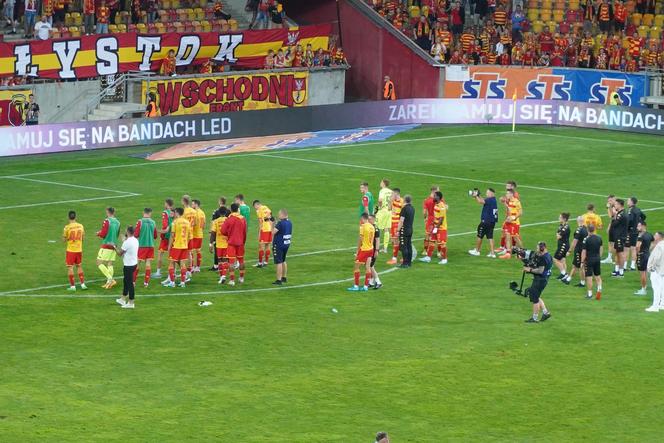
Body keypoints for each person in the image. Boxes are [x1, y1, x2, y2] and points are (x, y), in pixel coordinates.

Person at [524, 242, 553, 323]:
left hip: (540, 280)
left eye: (538, 248)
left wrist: (529, 270)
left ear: (542, 248)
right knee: (536, 295)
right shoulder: (549, 255)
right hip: (544, 279)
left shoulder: (543, 258)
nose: (537, 250)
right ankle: (545, 313)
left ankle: (535, 318)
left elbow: (540, 271)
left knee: (535, 298)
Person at [163, 207, 192, 288]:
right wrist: (185, 243)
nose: (174, 214)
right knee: (183, 264)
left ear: (177, 213)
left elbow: (172, 236)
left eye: (175, 212)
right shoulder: (187, 222)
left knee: (171, 263)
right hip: (184, 246)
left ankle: (172, 282)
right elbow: (189, 237)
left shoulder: (174, 222)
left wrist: (169, 246)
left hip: (176, 246)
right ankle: (183, 283)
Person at [221, 203, 248, 286]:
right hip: (240, 243)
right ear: (238, 209)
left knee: (231, 262)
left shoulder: (229, 219)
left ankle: (232, 280)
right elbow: (245, 232)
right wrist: (243, 241)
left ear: (231, 210)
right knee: (241, 261)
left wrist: (228, 234)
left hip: (231, 243)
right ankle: (241, 278)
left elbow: (223, 231)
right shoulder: (243, 219)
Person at [348, 213, 375, 292]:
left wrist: (357, 251)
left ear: (363, 219)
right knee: (367, 267)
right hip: (371, 249)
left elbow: (360, 240)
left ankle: (356, 286)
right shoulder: (372, 227)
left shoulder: (362, 227)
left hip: (364, 249)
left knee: (356, 267)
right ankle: (366, 286)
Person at [468, 188, 498, 257]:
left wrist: (476, 196)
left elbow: (481, 202)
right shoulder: (493, 200)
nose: (486, 194)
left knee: (480, 235)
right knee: (490, 237)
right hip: (492, 222)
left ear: (491, 193)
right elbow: (483, 200)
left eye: (487, 193)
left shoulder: (489, 200)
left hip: (486, 221)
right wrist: (478, 195)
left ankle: (477, 251)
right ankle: (492, 253)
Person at [420, 191, 448, 264]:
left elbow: (441, 219)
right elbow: (436, 217)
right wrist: (433, 224)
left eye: (435, 196)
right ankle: (428, 257)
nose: (433, 197)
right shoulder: (436, 204)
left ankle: (444, 259)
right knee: (432, 241)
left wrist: (436, 227)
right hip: (435, 226)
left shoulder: (441, 206)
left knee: (442, 244)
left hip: (441, 228)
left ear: (438, 197)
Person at [96, 207, 120, 289]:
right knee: (110, 263)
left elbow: (103, 234)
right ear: (114, 212)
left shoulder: (107, 221)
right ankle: (108, 282)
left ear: (107, 212)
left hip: (106, 245)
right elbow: (117, 234)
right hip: (114, 245)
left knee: (99, 262)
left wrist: (98, 233)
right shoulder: (118, 222)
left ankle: (111, 279)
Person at [63, 210, 87, 291]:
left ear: (68, 217)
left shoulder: (67, 227)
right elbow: (83, 238)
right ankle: (83, 284)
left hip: (71, 250)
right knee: (79, 266)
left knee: (70, 268)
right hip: (79, 249)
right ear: (75, 217)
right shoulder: (81, 226)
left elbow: (64, 239)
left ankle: (73, 286)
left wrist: (67, 238)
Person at [116, 226, 139, 309]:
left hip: (128, 265)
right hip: (134, 264)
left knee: (130, 284)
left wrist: (115, 247)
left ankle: (131, 303)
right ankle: (122, 299)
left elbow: (119, 254)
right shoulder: (135, 240)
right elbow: (128, 246)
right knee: (126, 281)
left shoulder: (127, 242)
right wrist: (124, 241)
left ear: (128, 232)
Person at [134, 208, 157, 287]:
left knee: (137, 263)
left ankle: (133, 282)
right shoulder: (153, 222)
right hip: (151, 246)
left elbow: (136, 234)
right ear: (150, 213)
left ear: (143, 212)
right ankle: (146, 283)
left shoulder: (140, 221)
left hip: (142, 246)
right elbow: (155, 236)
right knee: (148, 263)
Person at [563, 216, 588, 286]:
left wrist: (569, 251)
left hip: (579, 250)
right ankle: (568, 279)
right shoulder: (586, 229)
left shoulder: (578, 230)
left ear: (578, 221)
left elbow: (574, 242)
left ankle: (582, 282)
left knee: (581, 267)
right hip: (585, 250)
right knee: (575, 265)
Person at [498, 189, 522, 259]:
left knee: (516, 238)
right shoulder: (508, 201)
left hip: (514, 223)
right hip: (508, 222)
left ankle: (522, 252)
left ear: (511, 194)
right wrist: (504, 203)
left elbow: (520, 212)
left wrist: (514, 218)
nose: (506, 195)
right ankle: (508, 253)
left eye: (508, 194)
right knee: (507, 236)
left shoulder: (517, 202)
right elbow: (508, 209)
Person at [582, 224, 604, 300]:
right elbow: (601, 249)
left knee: (589, 277)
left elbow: (584, 252)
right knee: (598, 276)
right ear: (594, 229)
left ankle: (590, 294)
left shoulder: (586, 239)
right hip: (597, 259)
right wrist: (599, 257)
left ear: (588, 230)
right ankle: (599, 289)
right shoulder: (599, 238)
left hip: (589, 260)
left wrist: (582, 262)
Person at [209, 204, 230, 284]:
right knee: (225, 261)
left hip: (218, 244)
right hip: (227, 243)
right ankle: (223, 276)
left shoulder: (216, 221)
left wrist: (210, 244)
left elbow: (213, 233)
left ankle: (222, 276)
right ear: (226, 212)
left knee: (220, 261)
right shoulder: (228, 220)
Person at [154, 198, 173, 279]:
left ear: (167, 204)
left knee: (160, 254)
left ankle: (158, 272)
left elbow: (165, 226)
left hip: (165, 237)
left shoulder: (165, 213)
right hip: (172, 236)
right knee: (172, 255)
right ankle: (175, 272)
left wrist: (159, 231)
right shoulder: (173, 212)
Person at [272, 209, 292, 285]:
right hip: (286, 243)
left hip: (279, 245)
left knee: (279, 262)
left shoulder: (280, 224)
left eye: (279, 214)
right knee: (283, 260)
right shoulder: (289, 222)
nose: (278, 215)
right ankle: (284, 277)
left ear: (282, 215)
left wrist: (273, 224)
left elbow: (273, 232)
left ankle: (278, 280)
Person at [634, 221, 654, 296]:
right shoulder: (649, 234)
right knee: (645, 272)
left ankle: (643, 289)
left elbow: (637, 246)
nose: (637, 227)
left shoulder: (641, 236)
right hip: (647, 254)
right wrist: (648, 249)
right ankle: (645, 287)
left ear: (643, 226)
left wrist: (637, 253)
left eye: (639, 226)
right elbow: (653, 242)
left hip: (642, 255)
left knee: (642, 273)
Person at [646, 232, 664, 312]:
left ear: (659, 237)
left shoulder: (659, 246)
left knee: (656, 288)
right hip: (662, 270)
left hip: (656, 270)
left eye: (655, 235)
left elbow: (656, 258)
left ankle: (655, 306)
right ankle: (662, 304)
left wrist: (651, 267)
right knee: (662, 288)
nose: (654, 237)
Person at [252, 199, 273, 268]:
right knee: (268, 246)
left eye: (254, 207)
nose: (255, 208)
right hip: (270, 229)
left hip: (264, 229)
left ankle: (260, 263)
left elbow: (260, 222)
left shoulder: (259, 210)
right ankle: (266, 262)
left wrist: (259, 232)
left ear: (256, 205)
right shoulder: (266, 207)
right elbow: (271, 218)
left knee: (261, 246)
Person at [626, 196, 645, 271]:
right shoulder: (638, 209)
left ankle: (624, 266)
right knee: (633, 248)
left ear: (632, 202)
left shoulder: (630, 210)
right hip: (636, 231)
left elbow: (629, 220)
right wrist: (638, 223)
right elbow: (643, 217)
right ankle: (633, 266)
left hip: (630, 231)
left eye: (628, 201)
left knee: (627, 248)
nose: (627, 202)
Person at [611, 198, 628, 277]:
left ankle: (621, 272)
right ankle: (617, 270)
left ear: (620, 205)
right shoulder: (622, 213)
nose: (615, 205)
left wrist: (615, 215)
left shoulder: (621, 214)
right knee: (617, 253)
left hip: (620, 237)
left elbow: (614, 224)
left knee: (620, 254)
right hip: (620, 236)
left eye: (616, 204)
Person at [210, 196, 227, 271]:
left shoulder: (216, 211)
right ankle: (225, 269)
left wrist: (211, 240)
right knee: (225, 255)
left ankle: (216, 266)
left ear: (220, 201)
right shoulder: (229, 211)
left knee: (217, 252)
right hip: (227, 238)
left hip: (218, 236)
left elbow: (212, 222)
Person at [181, 195, 197, 277]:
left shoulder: (184, 212)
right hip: (191, 234)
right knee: (189, 253)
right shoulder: (194, 211)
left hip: (185, 236)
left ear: (184, 201)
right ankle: (190, 270)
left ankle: (185, 271)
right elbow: (195, 223)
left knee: (184, 253)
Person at [386, 188, 403, 265]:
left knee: (397, 241)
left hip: (397, 223)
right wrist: (390, 201)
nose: (391, 195)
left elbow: (404, 214)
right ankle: (400, 256)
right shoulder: (393, 201)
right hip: (392, 223)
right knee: (393, 241)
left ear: (396, 194)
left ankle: (395, 258)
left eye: (392, 194)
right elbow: (389, 209)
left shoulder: (402, 202)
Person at [376, 178, 393, 253]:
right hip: (389, 211)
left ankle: (376, 246)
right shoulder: (391, 191)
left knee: (376, 227)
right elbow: (393, 201)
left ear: (383, 183)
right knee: (386, 229)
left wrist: (379, 207)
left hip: (382, 211)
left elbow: (380, 200)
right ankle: (385, 248)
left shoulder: (382, 191)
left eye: (381, 182)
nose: (380, 183)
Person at [422, 185, 440, 257]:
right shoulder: (440, 200)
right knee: (438, 235)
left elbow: (424, 212)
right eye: (438, 190)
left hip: (429, 219)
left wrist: (425, 218)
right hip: (438, 219)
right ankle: (439, 252)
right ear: (434, 191)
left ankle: (425, 251)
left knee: (428, 235)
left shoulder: (426, 200)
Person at [398, 195, 415, 268]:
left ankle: (405, 263)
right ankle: (409, 262)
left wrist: (398, 230)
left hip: (404, 230)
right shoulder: (412, 208)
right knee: (409, 245)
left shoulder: (404, 209)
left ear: (404, 200)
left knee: (404, 246)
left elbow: (401, 221)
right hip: (410, 229)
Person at [554, 212, 571, 281]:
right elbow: (557, 234)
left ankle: (563, 273)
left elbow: (558, 236)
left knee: (555, 259)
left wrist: (558, 234)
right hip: (562, 245)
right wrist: (558, 234)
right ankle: (564, 274)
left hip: (563, 246)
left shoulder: (565, 227)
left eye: (560, 217)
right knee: (563, 260)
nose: (559, 218)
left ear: (564, 219)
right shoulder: (561, 225)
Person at [367, 214, 383, 289]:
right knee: (369, 265)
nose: (368, 220)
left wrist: (376, 250)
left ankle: (378, 282)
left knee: (370, 266)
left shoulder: (375, 228)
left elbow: (377, 240)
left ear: (373, 220)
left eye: (370, 219)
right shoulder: (370, 227)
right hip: (370, 249)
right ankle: (371, 282)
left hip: (373, 250)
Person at [191, 199, 206, 273]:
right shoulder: (202, 212)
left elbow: (194, 224)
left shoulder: (194, 213)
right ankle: (198, 267)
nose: (191, 205)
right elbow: (203, 225)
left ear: (196, 204)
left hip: (194, 235)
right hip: (200, 234)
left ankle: (192, 267)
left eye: (192, 204)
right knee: (198, 251)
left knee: (191, 252)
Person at [602, 195, 617, 264]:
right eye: (608, 201)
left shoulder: (616, 207)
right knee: (610, 242)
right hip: (613, 225)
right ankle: (609, 258)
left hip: (617, 226)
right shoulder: (611, 206)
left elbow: (613, 216)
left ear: (614, 199)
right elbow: (611, 217)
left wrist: (609, 207)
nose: (609, 202)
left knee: (614, 243)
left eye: (611, 200)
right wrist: (609, 226)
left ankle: (614, 259)